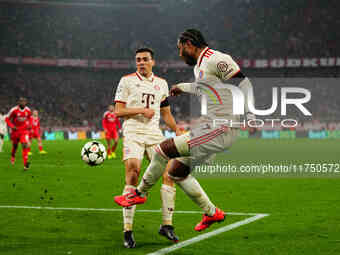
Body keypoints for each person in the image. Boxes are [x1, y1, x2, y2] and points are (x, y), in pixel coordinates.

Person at [114, 29, 255, 232]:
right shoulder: (200, 67)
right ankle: (211, 212)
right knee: (176, 172)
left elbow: (243, 83)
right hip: (210, 126)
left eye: (180, 49)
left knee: (164, 149)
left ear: (189, 44)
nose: (180, 54)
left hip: (221, 127)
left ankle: (139, 193)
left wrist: (249, 116)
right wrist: (184, 86)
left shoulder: (216, 58)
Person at [114, 47, 182, 248]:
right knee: (133, 171)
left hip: (154, 134)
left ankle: (167, 225)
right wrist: (141, 110)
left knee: (170, 173)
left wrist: (177, 130)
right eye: (138, 60)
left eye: (145, 59)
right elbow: (118, 111)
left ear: (153, 62)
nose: (141, 63)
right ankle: (128, 230)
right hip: (133, 131)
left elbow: (166, 113)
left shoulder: (161, 84)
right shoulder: (126, 81)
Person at [5, 97, 33, 170]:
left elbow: (30, 118)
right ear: (19, 102)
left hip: (24, 131)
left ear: (26, 102)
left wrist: (30, 124)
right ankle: (13, 156)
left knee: (24, 145)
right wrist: (11, 126)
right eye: (21, 102)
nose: (22, 103)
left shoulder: (28, 110)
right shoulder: (14, 110)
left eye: (24, 102)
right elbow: (7, 118)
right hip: (15, 131)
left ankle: (25, 164)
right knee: (15, 146)